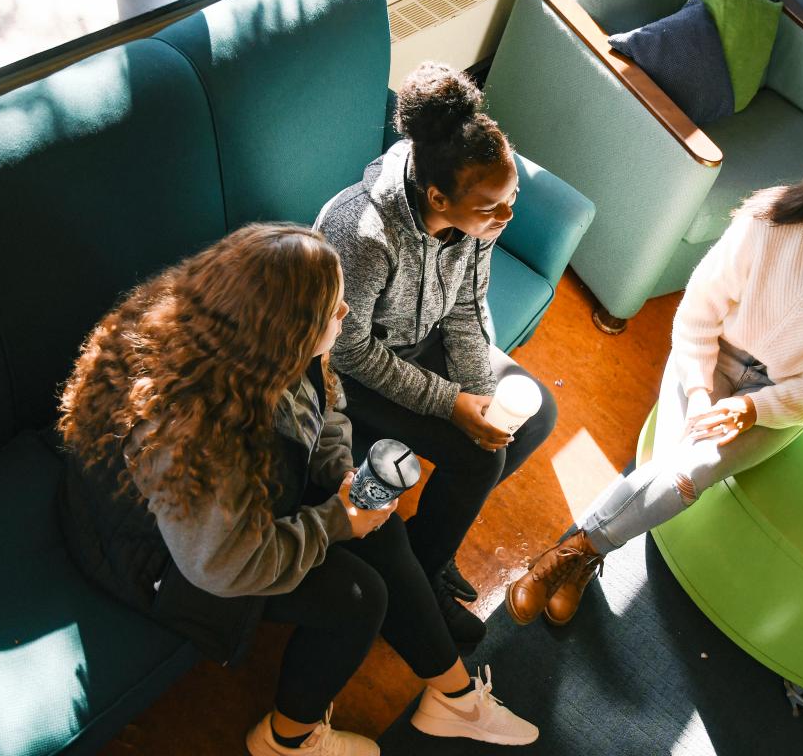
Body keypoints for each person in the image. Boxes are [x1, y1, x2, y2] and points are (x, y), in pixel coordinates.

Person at [56, 224, 539, 756]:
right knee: (359, 599)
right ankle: (288, 741)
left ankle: (455, 698)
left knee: (381, 531)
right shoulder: (198, 434)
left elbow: (325, 400)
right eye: (335, 310)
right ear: (289, 330)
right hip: (161, 558)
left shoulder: (258, 336)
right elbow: (223, 564)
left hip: (238, 504)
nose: (348, 314)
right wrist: (334, 521)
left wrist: (340, 479)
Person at [507, 147, 803, 627]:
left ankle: (575, 550)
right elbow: (700, 310)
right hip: (709, 357)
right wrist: (701, 389)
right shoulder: (771, 219)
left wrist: (754, 409)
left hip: (779, 401)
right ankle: (582, 557)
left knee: (686, 474)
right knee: (672, 463)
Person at [315, 62, 558, 649]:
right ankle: (418, 583)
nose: (506, 218)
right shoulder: (363, 235)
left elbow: (468, 304)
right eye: (492, 208)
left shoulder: (474, 220)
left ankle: (429, 549)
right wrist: (451, 404)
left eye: (512, 198)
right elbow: (348, 351)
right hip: (352, 372)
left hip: (418, 344)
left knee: (531, 417)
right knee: (478, 460)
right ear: (437, 196)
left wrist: (479, 394)